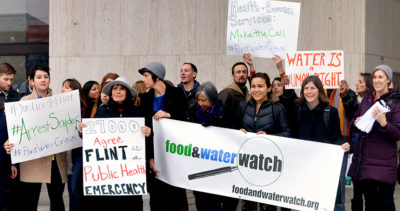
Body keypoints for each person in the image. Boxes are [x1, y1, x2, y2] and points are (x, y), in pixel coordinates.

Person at [78, 76, 151, 211]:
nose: (118, 92)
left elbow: (145, 143)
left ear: (127, 93)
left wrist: (148, 133)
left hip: (130, 174)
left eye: (122, 89)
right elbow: (94, 140)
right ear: (111, 93)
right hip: (109, 175)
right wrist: (83, 132)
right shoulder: (102, 111)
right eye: (115, 89)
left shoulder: (137, 113)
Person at [4, 65, 67, 211]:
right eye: (39, 77)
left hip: (55, 161)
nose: (43, 80)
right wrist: (9, 143)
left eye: (46, 77)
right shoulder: (23, 103)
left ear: (50, 79)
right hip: (32, 161)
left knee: (57, 201)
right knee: (30, 202)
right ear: (31, 81)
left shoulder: (61, 102)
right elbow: (16, 130)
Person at [293, 75, 350, 211]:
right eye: (306, 88)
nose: (309, 91)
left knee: (331, 201)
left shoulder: (330, 111)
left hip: (324, 166)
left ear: (319, 90)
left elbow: (336, 137)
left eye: (313, 88)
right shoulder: (297, 110)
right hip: (304, 166)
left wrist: (343, 145)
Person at [236, 73, 291, 211]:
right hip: (247, 165)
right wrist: (238, 132)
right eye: (253, 86)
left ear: (268, 88)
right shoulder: (243, 106)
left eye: (260, 86)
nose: (256, 90)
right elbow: (231, 127)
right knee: (247, 206)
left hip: (268, 166)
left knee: (267, 206)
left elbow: (288, 133)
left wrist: (269, 137)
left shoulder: (278, 108)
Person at [348, 65, 400, 211]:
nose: (377, 80)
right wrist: (356, 122)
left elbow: (397, 133)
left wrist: (384, 123)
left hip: (383, 164)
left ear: (388, 80)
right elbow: (354, 120)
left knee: (385, 204)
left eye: (381, 77)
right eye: (375, 77)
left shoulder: (396, 101)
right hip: (365, 163)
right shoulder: (367, 98)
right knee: (370, 204)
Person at [138, 62, 189, 211]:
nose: (144, 79)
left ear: (157, 77)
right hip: (155, 152)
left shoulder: (177, 93)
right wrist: (150, 158)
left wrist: (169, 115)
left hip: (175, 153)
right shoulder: (146, 98)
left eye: (147, 76)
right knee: (157, 198)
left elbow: (186, 120)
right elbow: (145, 127)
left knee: (176, 196)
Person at [185, 81, 229, 210]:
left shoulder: (222, 112)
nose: (200, 104)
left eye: (204, 100)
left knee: (214, 201)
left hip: (216, 165)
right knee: (200, 200)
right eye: (199, 100)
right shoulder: (193, 111)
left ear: (212, 99)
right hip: (199, 165)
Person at [339, 73, 371, 211]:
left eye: (360, 82)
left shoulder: (372, 102)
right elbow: (350, 106)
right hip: (356, 149)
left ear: (368, 85)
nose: (356, 84)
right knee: (356, 192)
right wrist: (345, 93)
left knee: (369, 193)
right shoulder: (356, 98)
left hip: (369, 152)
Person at [61, 79, 87, 211]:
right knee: (66, 192)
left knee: (75, 190)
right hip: (64, 155)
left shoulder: (84, 109)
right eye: (63, 87)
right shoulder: (58, 109)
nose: (63, 90)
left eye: (66, 87)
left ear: (75, 90)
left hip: (78, 154)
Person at [218, 53, 255, 127]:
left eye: (244, 72)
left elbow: (255, 84)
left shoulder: (246, 93)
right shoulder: (226, 93)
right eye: (238, 72)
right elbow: (219, 118)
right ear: (233, 76)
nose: (241, 74)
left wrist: (251, 66)